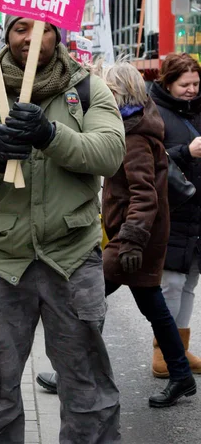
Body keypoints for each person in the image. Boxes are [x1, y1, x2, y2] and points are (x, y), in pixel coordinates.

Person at [0, 14, 126, 444]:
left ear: (57, 33)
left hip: (72, 259)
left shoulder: (86, 88)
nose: (31, 37)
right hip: (1, 263)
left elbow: (110, 154)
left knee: (87, 387)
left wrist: (50, 135)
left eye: (42, 27)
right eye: (21, 27)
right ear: (6, 33)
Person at [102, 61, 196, 407]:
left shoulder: (134, 136)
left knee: (88, 300)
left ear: (117, 94)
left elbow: (143, 194)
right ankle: (181, 376)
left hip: (135, 239)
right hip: (141, 236)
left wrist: (130, 240)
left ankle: (77, 371)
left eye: (105, 92)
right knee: (153, 307)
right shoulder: (138, 124)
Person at [150, 53, 201, 377]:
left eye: (196, 83)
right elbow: (148, 160)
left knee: (189, 284)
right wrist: (186, 152)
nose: (192, 90)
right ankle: (163, 351)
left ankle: (180, 350)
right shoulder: (154, 113)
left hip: (197, 213)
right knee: (170, 284)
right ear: (169, 83)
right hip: (172, 212)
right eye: (185, 84)